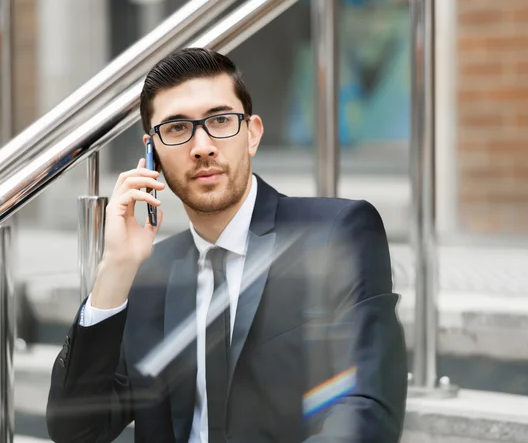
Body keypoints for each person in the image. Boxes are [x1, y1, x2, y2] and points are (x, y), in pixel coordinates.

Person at [46, 47, 407, 443]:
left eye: (219, 120)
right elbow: (76, 430)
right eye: (178, 128)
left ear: (251, 134)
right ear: (153, 155)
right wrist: (115, 268)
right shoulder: (149, 273)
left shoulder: (338, 233)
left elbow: (365, 408)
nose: (201, 146)